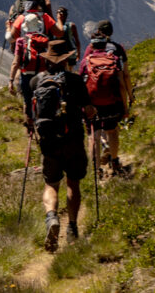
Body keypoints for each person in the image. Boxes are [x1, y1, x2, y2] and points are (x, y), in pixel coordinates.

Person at [30, 39, 94, 251]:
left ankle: (51, 218)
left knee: (51, 183)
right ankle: (73, 227)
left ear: (47, 60)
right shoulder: (75, 81)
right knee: (73, 183)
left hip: (49, 141)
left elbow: (29, 115)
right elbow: (89, 110)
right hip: (73, 139)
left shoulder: (36, 81)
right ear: (66, 60)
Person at [78, 20, 134, 178]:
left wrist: (84, 105)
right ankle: (115, 161)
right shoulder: (116, 54)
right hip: (112, 101)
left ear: (93, 45)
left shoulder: (87, 59)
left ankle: (96, 170)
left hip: (93, 103)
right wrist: (126, 105)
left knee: (93, 136)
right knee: (112, 131)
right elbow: (123, 82)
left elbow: (81, 84)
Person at [8, 0, 67, 128]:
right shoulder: (45, 11)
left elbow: (11, 38)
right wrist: (60, 20)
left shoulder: (18, 11)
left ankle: (28, 123)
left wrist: (8, 27)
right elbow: (58, 33)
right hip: (43, 60)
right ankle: (49, 115)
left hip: (24, 55)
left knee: (27, 97)